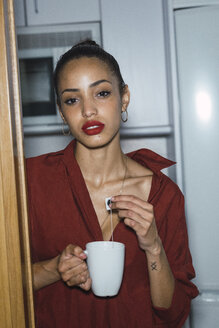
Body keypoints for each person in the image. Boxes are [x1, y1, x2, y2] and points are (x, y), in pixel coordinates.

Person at [26, 40, 198, 328]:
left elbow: (174, 312)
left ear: (124, 97)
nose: (88, 110)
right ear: (61, 111)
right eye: (72, 99)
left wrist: (153, 245)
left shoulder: (164, 195)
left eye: (102, 93)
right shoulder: (30, 182)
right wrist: (54, 268)